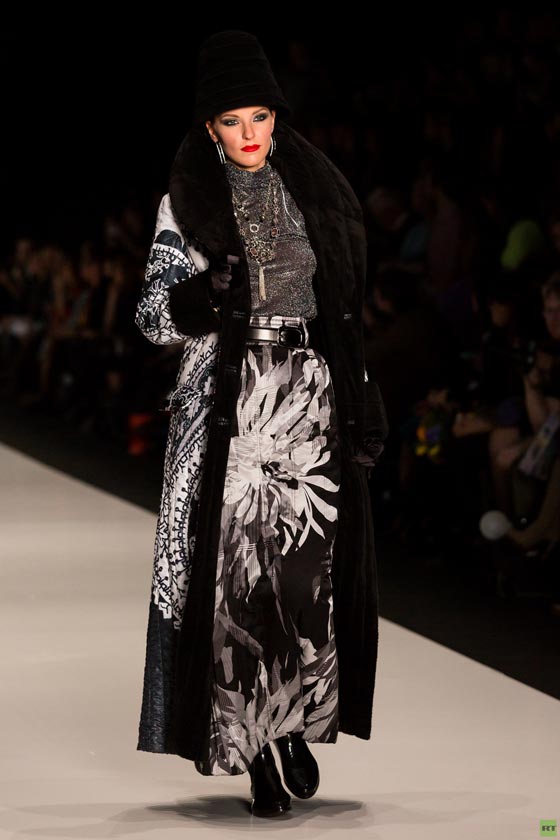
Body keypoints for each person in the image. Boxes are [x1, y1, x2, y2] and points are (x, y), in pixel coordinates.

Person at [134, 30, 389, 818]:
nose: (248, 133)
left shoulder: (319, 193)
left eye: (259, 117)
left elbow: (345, 310)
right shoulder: (187, 204)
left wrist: (361, 394)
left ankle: (293, 723)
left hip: (310, 401)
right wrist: (202, 295)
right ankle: (253, 751)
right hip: (235, 408)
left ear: (277, 117)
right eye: (231, 120)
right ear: (209, 127)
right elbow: (152, 317)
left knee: (306, 582)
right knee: (242, 588)